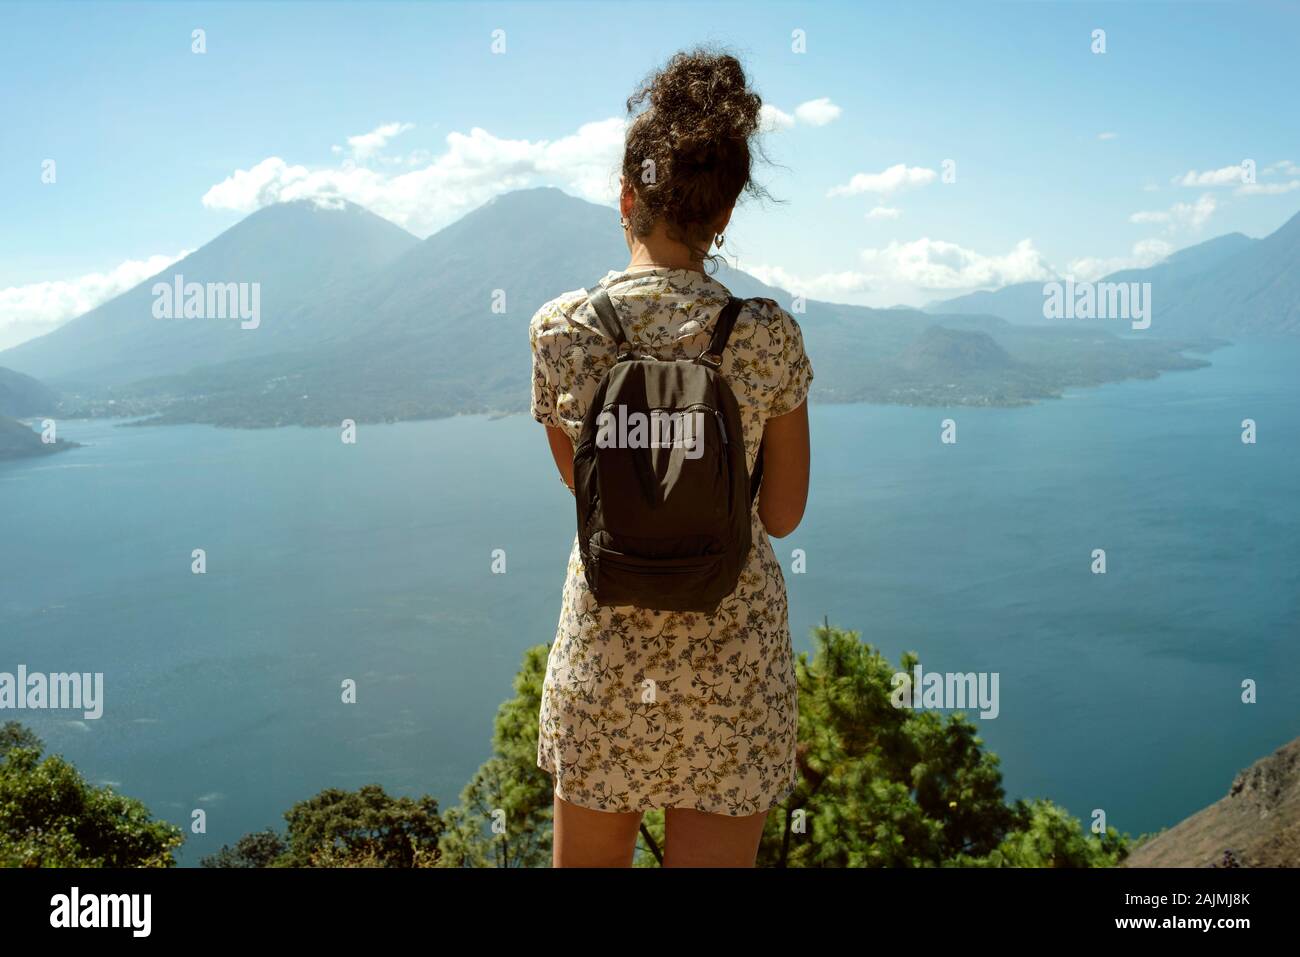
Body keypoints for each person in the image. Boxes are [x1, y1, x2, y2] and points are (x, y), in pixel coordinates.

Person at [528, 46, 813, 867]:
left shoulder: (561, 331)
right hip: (733, 658)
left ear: (628, 197)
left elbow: (584, 494)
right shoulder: (765, 335)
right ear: (722, 217)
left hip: (606, 656)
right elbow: (783, 515)